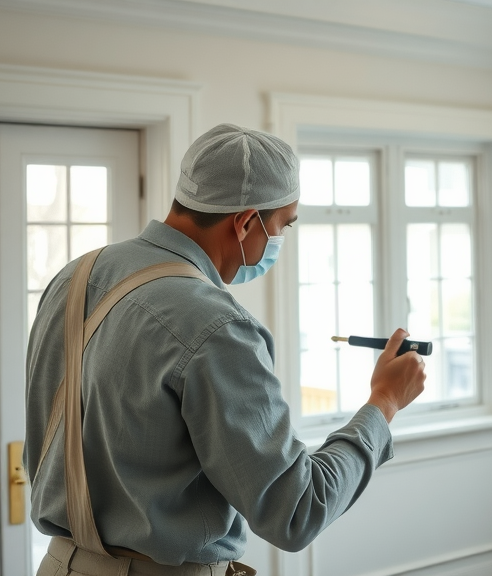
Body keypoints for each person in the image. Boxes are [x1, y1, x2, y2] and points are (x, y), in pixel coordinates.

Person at [24, 123, 427, 576]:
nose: (279, 241)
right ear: (245, 223)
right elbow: (296, 511)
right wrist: (384, 403)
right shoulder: (217, 327)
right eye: (282, 226)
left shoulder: (74, 277)